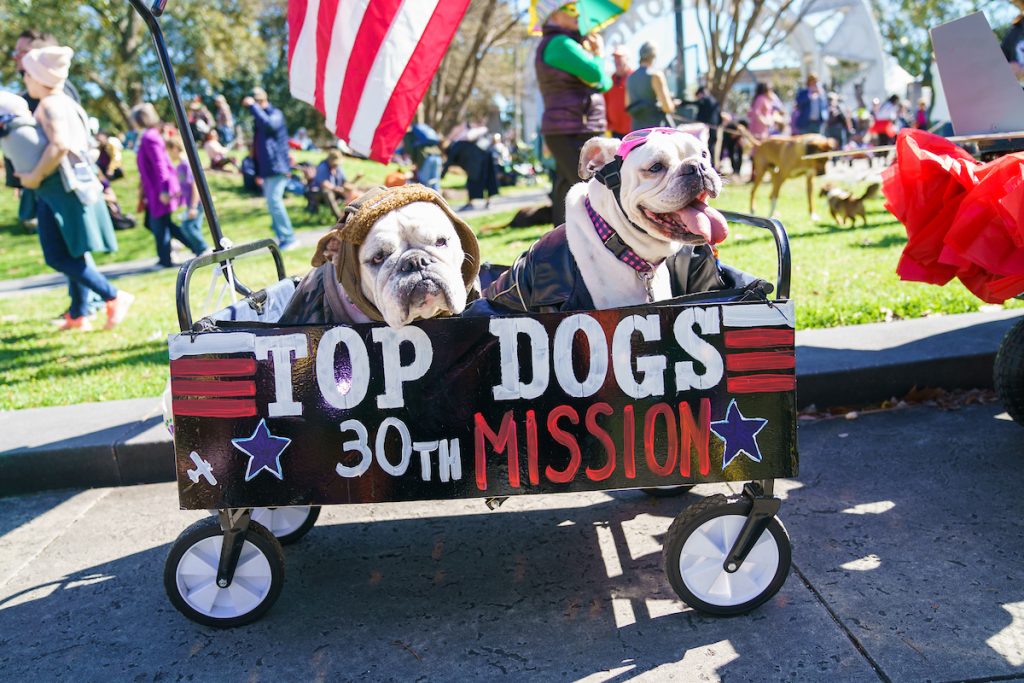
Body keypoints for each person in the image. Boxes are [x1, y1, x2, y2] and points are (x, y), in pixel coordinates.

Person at [14, 46, 132, 330]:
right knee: (74, 252)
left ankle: (113, 295)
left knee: (56, 255)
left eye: (27, 74)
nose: (25, 80)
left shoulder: (49, 105)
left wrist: (32, 176)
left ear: (40, 77)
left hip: (57, 189)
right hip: (73, 186)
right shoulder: (69, 104)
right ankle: (79, 315)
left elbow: (59, 146)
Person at [535, 2, 610, 226]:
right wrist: (599, 54)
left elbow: (604, 83)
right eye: (570, 9)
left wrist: (593, 59)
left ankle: (561, 250)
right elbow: (597, 74)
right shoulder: (560, 43)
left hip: (572, 127)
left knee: (565, 191)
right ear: (553, 15)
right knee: (593, 189)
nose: (578, 14)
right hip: (573, 129)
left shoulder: (566, 44)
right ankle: (581, 248)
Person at [132, 103, 208, 267]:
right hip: (154, 189)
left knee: (159, 225)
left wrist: (164, 190)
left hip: (160, 188)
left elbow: (160, 165)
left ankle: (166, 259)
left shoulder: (150, 137)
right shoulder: (149, 136)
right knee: (161, 224)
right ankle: (196, 247)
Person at [242, 87, 296, 249]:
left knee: (275, 201)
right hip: (267, 170)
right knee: (272, 204)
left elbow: (269, 125)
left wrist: (253, 107)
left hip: (278, 167)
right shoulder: (260, 119)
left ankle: (289, 237)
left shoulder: (275, 114)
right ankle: (282, 238)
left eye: (255, 104)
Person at [165, 135, 210, 255]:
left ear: (174, 148)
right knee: (193, 227)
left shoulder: (186, 164)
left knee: (187, 227)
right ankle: (199, 251)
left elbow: (194, 185)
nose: (168, 155)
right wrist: (173, 196)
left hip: (197, 202)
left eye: (169, 151)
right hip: (190, 203)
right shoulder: (179, 166)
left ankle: (204, 249)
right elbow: (183, 187)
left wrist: (193, 207)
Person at [626, 42, 677, 129]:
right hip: (654, 132)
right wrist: (673, 104)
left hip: (636, 131)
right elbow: (667, 107)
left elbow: (627, 105)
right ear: (654, 56)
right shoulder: (655, 75)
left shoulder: (630, 77)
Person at [307, 149, 353, 220]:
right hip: (318, 194)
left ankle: (350, 215)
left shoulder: (338, 167)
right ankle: (339, 218)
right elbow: (324, 184)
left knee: (350, 191)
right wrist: (337, 189)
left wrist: (348, 187)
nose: (335, 165)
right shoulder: (323, 167)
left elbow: (344, 181)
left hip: (336, 191)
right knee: (327, 193)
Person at [401, 123, 443, 191]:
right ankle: (437, 200)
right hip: (437, 156)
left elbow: (410, 150)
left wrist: (414, 163)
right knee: (435, 182)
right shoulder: (420, 134)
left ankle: (425, 201)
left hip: (425, 158)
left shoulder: (408, 136)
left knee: (424, 183)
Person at [604, 45, 633, 138]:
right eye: (615, 57)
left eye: (620, 57)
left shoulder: (634, 78)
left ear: (627, 59)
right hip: (614, 131)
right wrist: (608, 125)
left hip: (632, 131)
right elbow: (605, 102)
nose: (617, 60)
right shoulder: (610, 80)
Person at [687, 86, 721, 160]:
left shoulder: (705, 99)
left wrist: (681, 103)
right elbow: (719, 115)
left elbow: (695, 103)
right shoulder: (715, 101)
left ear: (701, 93)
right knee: (711, 147)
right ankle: (712, 164)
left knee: (703, 146)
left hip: (706, 127)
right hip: (714, 127)